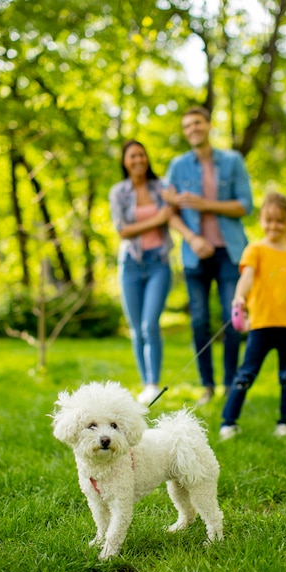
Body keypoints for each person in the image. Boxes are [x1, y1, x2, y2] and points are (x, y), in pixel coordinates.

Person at [165, 106, 253, 405]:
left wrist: (206, 204)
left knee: (233, 318)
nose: (193, 129)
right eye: (187, 125)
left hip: (230, 252)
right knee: (199, 320)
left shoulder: (232, 161)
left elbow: (246, 205)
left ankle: (230, 385)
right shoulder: (177, 166)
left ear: (208, 125)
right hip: (195, 255)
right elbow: (170, 212)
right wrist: (191, 237)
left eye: (197, 123)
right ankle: (207, 386)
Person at [220, 192, 286, 440]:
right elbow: (246, 278)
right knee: (246, 374)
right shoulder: (256, 250)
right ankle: (228, 422)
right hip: (261, 325)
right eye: (269, 220)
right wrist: (239, 298)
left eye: (280, 221)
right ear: (261, 220)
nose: (274, 226)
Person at [109, 140, 174, 404]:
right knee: (136, 329)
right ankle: (146, 384)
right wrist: (157, 220)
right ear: (125, 162)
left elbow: (176, 210)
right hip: (131, 264)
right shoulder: (119, 192)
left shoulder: (161, 187)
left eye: (141, 155)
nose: (138, 160)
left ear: (147, 158)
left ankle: (152, 383)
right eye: (132, 156)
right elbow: (122, 229)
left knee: (150, 324)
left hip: (158, 261)